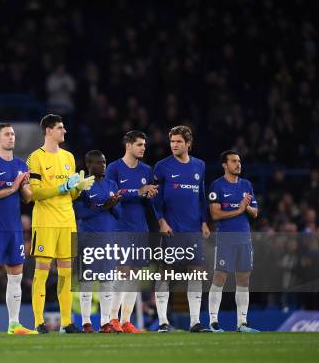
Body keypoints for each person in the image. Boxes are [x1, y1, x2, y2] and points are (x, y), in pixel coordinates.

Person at [26, 114, 94, 334]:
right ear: (48, 131)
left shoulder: (69, 157)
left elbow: (70, 195)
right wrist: (62, 188)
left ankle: (67, 322)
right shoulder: (35, 157)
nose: (64, 131)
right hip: (45, 222)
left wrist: (78, 188)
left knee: (66, 274)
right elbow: (35, 193)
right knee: (43, 272)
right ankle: (38, 322)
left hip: (67, 221)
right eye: (60, 128)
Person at [0, 123, 37, 335]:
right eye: (7, 134)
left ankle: (14, 324)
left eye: (13, 134)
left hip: (15, 229)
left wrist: (25, 185)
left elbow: (28, 198)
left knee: (16, 277)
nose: (11, 137)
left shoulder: (21, 164)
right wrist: (11, 187)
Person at [152, 125, 211, 333]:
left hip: (193, 230)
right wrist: (161, 222)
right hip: (171, 230)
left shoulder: (199, 166)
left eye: (178, 141)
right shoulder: (161, 166)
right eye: (172, 141)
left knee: (195, 274)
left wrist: (204, 221)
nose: (174, 145)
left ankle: (195, 321)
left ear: (188, 144)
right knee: (164, 274)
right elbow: (155, 199)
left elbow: (201, 197)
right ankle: (162, 322)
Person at [105, 131, 158, 333]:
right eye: (139, 144)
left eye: (144, 145)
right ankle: (112, 318)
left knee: (134, 275)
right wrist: (138, 192)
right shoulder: (114, 168)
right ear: (128, 145)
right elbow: (113, 194)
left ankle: (126, 321)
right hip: (120, 227)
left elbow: (146, 200)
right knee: (122, 271)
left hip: (140, 228)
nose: (143, 148)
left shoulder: (146, 170)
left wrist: (150, 194)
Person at [208, 150, 260, 333]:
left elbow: (255, 212)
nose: (238, 164)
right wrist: (238, 210)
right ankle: (213, 321)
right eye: (234, 161)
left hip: (244, 238)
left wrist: (245, 208)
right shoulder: (217, 186)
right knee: (220, 277)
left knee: (244, 279)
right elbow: (215, 214)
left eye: (239, 161)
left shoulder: (246, 185)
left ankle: (242, 323)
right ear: (224, 165)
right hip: (225, 238)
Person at [73, 150, 121, 333]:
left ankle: (105, 322)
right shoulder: (82, 185)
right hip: (87, 238)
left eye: (104, 162)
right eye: (99, 163)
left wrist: (114, 204)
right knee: (87, 279)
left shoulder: (111, 184)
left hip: (108, 237)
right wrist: (104, 207)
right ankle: (86, 322)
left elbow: (119, 213)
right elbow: (79, 212)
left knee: (106, 280)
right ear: (89, 165)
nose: (103, 165)